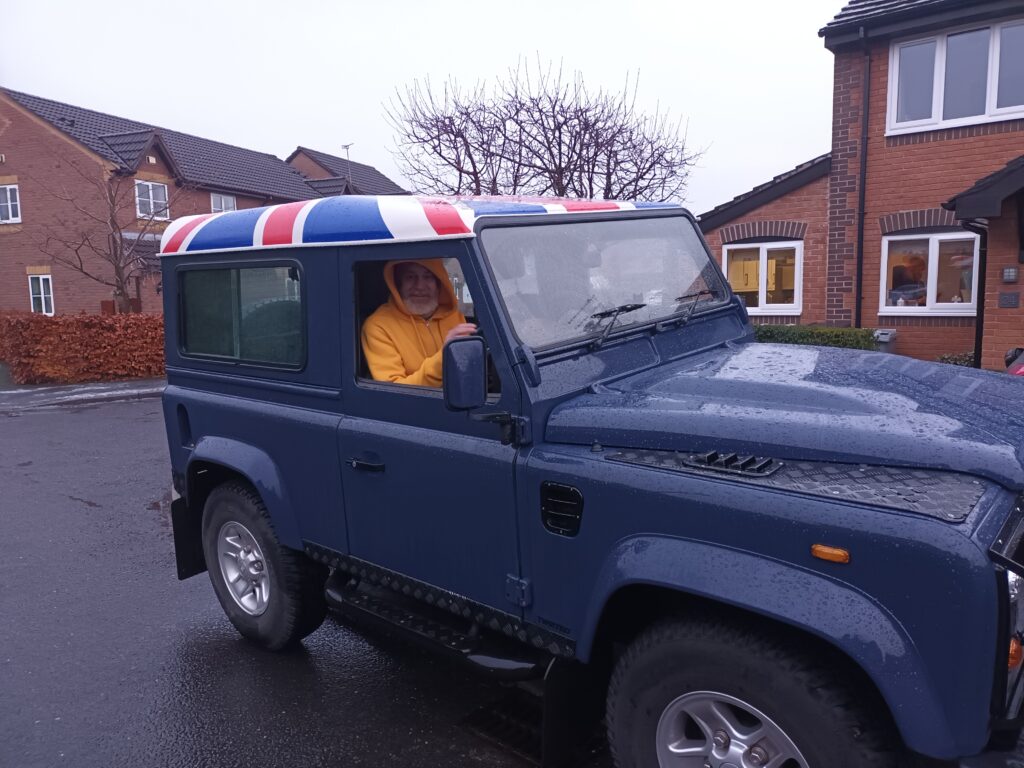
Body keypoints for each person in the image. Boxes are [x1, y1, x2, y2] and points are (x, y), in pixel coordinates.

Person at [361, 259, 477, 386]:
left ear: (439, 283)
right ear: (397, 284)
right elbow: (395, 391)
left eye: (428, 277)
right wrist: (444, 357)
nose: (420, 286)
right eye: (410, 277)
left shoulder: (454, 316)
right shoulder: (378, 326)